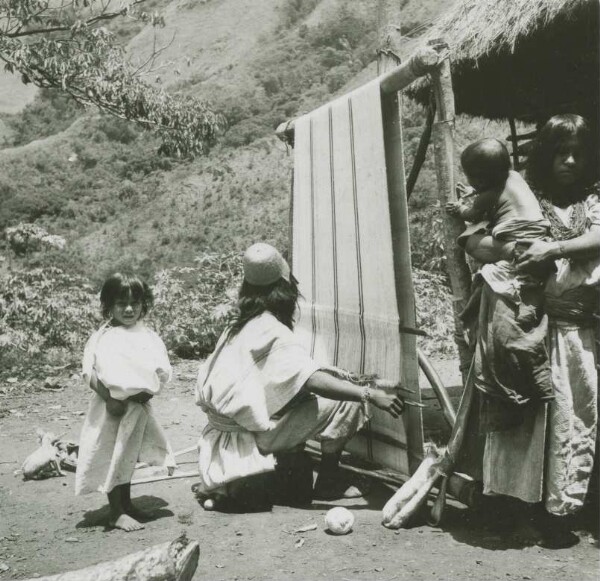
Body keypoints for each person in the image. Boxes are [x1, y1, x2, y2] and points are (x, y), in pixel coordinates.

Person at [459, 114, 600, 547]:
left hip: (576, 334)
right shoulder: (515, 192)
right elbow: (473, 241)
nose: (570, 161)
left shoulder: (593, 202)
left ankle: (560, 509)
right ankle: (509, 506)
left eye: (578, 153)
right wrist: (521, 250)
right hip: (524, 324)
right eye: (560, 152)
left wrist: (553, 248)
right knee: (520, 418)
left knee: (574, 419)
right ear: (544, 154)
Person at [194, 242, 406, 512]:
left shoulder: (238, 327)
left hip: (220, 433)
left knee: (306, 393)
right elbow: (311, 379)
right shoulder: (272, 329)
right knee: (348, 399)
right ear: (285, 288)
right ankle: (329, 480)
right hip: (248, 438)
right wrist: (369, 393)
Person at [75, 273, 176, 532]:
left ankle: (127, 504)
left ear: (145, 304)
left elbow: (160, 367)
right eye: (121, 303)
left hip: (139, 407)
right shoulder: (104, 336)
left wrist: (150, 390)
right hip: (112, 409)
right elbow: (90, 373)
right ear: (108, 305)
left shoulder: (147, 335)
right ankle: (116, 512)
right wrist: (110, 398)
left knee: (128, 457)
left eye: (135, 302)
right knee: (114, 455)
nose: (129, 309)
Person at [447, 138, 552, 327]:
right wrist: (474, 190)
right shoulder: (514, 176)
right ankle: (527, 280)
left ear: (479, 180)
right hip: (540, 233)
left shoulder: (485, 198)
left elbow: (471, 215)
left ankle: (516, 259)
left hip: (518, 238)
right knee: (531, 276)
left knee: (469, 242)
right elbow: (496, 189)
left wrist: (459, 208)